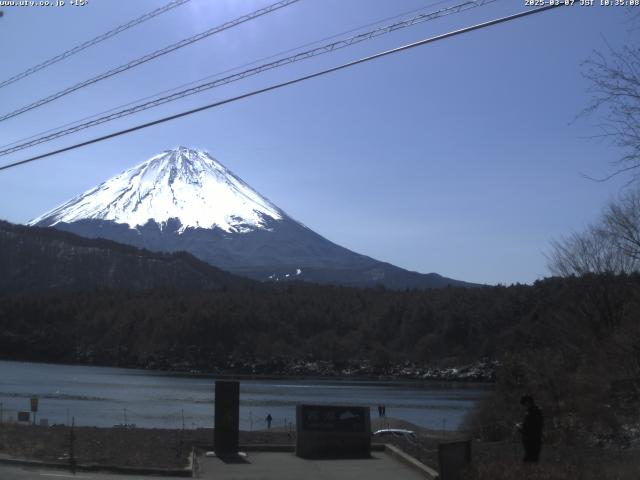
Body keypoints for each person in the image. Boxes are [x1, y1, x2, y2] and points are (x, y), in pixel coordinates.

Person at [519, 395, 543, 463]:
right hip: (534, 441)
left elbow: (530, 428)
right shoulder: (536, 412)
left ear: (528, 403)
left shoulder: (532, 413)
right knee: (532, 461)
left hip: (532, 442)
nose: (524, 407)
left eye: (524, 405)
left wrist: (521, 428)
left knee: (529, 462)